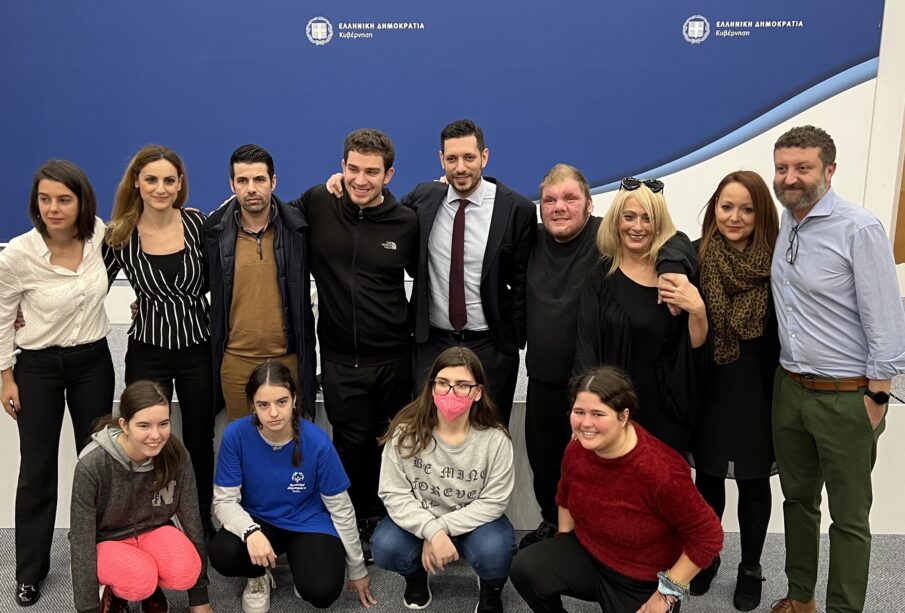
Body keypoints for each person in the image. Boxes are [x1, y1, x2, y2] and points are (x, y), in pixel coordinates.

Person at [521, 165, 698, 549]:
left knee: (608, 470)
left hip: (595, 382)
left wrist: (671, 266)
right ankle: (556, 527)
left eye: (570, 198)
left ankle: (610, 543)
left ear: (589, 204)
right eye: (550, 200)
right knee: (548, 465)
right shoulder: (530, 239)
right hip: (544, 378)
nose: (559, 207)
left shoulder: (605, 237)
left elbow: (674, 237)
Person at [768, 126, 905, 613]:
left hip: (847, 396)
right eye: (782, 168)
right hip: (790, 388)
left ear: (829, 170)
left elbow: (886, 319)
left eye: (802, 168)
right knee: (798, 502)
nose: (790, 178)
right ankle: (800, 597)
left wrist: (878, 394)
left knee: (849, 518)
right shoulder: (787, 221)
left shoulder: (858, 228)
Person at [328, 119, 536, 424]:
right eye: (452, 159)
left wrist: (510, 339)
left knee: (489, 432)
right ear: (441, 160)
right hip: (433, 345)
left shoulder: (516, 209)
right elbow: (382, 210)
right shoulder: (424, 198)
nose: (460, 168)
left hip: (490, 347)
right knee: (429, 432)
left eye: (469, 157)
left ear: (484, 157)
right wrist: (343, 184)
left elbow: (521, 282)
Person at [289, 129, 418, 556]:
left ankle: (385, 518)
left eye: (372, 172)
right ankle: (354, 517)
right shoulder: (318, 202)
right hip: (341, 358)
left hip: (394, 356)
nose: (361, 180)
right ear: (342, 166)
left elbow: (429, 276)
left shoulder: (406, 221)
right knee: (350, 444)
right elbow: (266, 219)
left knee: (391, 442)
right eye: (353, 169)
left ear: (388, 175)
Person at [510, 366, 723, 613]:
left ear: (623, 416)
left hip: (641, 578)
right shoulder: (577, 450)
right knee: (525, 569)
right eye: (579, 412)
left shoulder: (662, 471)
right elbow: (565, 497)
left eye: (598, 414)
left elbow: (708, 536)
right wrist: (564, 543)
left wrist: (666, 595)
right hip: (590, 553)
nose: (586, 423)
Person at [0, 160, 115, 607]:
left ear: (82, 202)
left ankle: (104, 562)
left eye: (64, 199)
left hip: (92, 362)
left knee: (97, 464)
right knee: (37, 469)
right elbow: (3, 317)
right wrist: (6, 375)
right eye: (44, 199)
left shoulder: (99, 235)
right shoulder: (18, 255)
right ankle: (30, 571)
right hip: (37, 367)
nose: (53, 208)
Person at [104, 144, 215, 534]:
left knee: (200, 439)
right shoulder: (119, 234)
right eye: (151, 179)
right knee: (145, 439)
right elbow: (86, 287)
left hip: (198, 346)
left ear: (180, 183)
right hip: (147, 350)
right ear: (136, 182)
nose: (160, 188)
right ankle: (146, 521)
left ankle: (201, 521)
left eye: (169, 180)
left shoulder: (198, 224)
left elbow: (222, 276)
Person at [208, 361, 375, 612]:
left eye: (282, 402)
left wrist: (357, 568)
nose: (273, 413)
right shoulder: (235, 435)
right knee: (223, 553)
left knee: (322, 591)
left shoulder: (317, 441)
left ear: (294, 399)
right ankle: (257, 575)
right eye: (263, 405)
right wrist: (250, 532)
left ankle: (301, 568)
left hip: (308, 521)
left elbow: (341, 508)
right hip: (260, 520)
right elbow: (224, 501)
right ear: (253, 405)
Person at [686, 170, 780, 611]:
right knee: (707, 478)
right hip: (709, 386)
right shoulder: (695, 256)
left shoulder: (778, 263)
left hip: (759, 389)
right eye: (726, 207)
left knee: (753, 482)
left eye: (746, 209)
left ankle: (751, 567)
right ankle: (708, 556)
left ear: (761, 214)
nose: (735, 217)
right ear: (714, 209)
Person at [371, 346, 516, 613]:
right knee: (385, 546)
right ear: (432, 387)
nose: (451, 392)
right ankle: (416, 576)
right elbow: (393, 493)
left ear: (478, 392)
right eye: (442, 383)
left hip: (475, 524)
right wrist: (430, 530)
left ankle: (491, 587)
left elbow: (494, 501)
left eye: (462, 385)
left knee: (496, 552)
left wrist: (441, 528)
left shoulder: (495, 439)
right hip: (422, 520)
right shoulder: (405, 433)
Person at [573, 178, 708, 454]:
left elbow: (693, 351)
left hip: (667, 423)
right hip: (612, 419)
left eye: (647, 218)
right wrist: (586, 415)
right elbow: (586, 352)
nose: (637, 226)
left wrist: (698, 311)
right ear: (616, 221)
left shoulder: (676, 276)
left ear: (658, 224)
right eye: (629, 217)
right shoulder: (599, 278)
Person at [69, 380, 212, 613]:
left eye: (163, 424)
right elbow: (81, 541)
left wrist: (199, 599)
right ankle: (117, 590)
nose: (156, 435)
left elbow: (192, 521)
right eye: (144, 425)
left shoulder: (176, 455)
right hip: (107, 540)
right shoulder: (92, 465)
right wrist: (88, 609)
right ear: (124, 425)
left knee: (186, 571)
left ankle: (151, 584)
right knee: (138, 580)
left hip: (154, 530)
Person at [202, 144, 317, 421]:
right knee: (244, 441)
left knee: (291, 441)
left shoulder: (297, 228)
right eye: (242, 180)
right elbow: (196, 281)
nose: (251, 189)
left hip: (287, 360)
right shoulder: (214, 231)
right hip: (236, 362)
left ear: (273, 182)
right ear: (232, 185)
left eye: (259, 179)